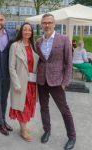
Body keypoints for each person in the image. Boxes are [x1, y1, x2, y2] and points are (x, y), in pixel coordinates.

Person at [35, 14, 76, 150]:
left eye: (49, 22)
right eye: (44, 23)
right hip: (42, 81)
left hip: (57, 81)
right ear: (41, 24)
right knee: (44, 108)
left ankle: (72, 136)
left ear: (54, 24)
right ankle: (47, 130)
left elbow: (69, 62)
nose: (47, 25)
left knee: (64, 110)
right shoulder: (38, 41)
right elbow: (40, 60)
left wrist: (65, 81)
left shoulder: (63, 39)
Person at [9, 22, 39, 142]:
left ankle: (24, 127)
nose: (27, 32)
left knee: (29, 105)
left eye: (29, 30)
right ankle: (23, 129)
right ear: (21, 31)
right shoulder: (15, 46)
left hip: (32, 82)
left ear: (32, 32)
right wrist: (16, 84)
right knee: (22, 106)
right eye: (25, 30)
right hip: (21, 82)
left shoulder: (33, 45)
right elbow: (11, 67)